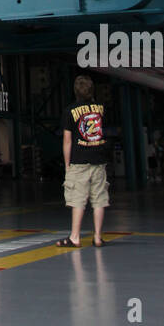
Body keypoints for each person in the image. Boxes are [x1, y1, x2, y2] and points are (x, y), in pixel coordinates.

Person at [57, 73, 110, 248]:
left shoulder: (70, 110)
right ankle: (97, 237)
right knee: (99, 200)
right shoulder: (100, 108)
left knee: (78, 200)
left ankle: (75, 237)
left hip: (79, 161)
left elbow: (67, 140)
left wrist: (67, 164)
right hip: (99, 159)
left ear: (75, 91)